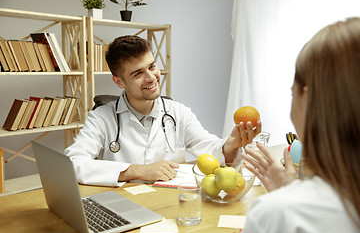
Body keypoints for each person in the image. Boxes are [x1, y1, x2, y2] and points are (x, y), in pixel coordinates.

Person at [65, 35, 261, 187]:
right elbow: (72, 164)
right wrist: (136, 171)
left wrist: (231, 144)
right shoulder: (101, 118)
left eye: (152, 66)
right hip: (124, 206)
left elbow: (209, 148)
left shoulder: (178, 112)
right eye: (138, 73)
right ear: (119, 82)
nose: (151, 77)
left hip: (172, 205)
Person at [241, 17, 360, 233]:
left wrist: (287, 199)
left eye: (291, 92)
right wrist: (291, 191)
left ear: (308, 99)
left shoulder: (277, 215)